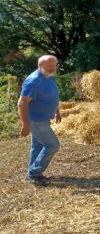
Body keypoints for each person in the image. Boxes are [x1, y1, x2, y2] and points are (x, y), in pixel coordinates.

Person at [18, 55, 61, 186]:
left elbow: (52, 95)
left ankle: (32, 175)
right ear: (40, 65)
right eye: (50, 66)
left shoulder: (48, 76)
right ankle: (34, 173)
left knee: (37, 146)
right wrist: (25, 124)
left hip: (43, 118)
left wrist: (57, 111)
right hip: (36, 120)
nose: (53, 68)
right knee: (53, 145)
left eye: (55, 65)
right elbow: (21, 103)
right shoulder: (34, 81)